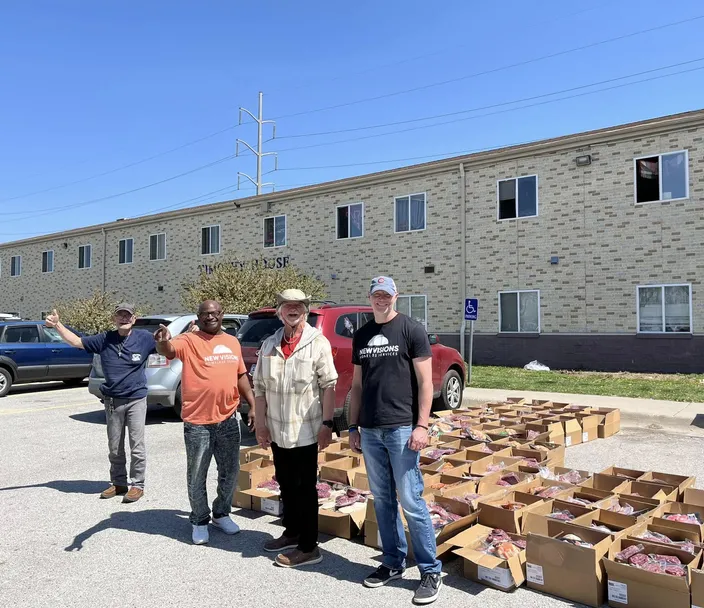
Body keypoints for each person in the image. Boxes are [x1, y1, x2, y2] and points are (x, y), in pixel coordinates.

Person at [348, 276, 442, 605]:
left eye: (386, 295)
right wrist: (352, 426)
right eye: (376, 295)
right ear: (370, 297)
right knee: (383, 500)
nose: (381, 300)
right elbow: (357, 386)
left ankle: (431, 570)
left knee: (411, 501)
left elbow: (426, 384)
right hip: (370, 430)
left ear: (395, 297)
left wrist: (422, 425)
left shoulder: (411, 330)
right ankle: (392, 562)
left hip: (403, 428)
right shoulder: (361, 335)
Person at [155, 299, 255, 545]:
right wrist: (162, 340)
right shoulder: (189, 340)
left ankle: (221, 514)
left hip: (228, 418)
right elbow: (168, 350)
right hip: (198, 422)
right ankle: (199, 520)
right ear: (198, 317)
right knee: (197, 474)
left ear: (222, 315)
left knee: (230, 471)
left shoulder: (232, 342)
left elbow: (240, 374)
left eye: (214, 313)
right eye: (204, 314)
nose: (210, 317)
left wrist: (252, 404)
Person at [253, 289, 338, 568]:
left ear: (306, 310)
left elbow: (328, 386)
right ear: (279, 311)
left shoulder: (318, 343)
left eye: (298, 306)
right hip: (278, 431)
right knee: (286, 484)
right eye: (287, 306)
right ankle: (291, 532)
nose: (292, 310)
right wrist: (261, 425)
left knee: (305, 488)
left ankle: (309, 546)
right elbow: (260, 389)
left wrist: (327, 424)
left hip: (306, 430)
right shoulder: (269, 344)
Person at [45, 303, 156, 503]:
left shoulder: (145, 339)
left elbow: (168, 346)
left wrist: (190, 334)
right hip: (113, 399)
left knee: (136, 444)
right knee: (114, 446)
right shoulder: (104, 339)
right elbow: (77, 342)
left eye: (127, 315)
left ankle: (137, 484)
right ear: (114, 318)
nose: (124, 318)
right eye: (120, 315)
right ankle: (119, 482)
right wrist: (57, 325)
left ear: (134, 318)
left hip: (136, 399)